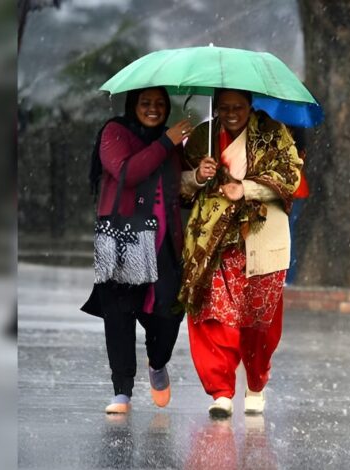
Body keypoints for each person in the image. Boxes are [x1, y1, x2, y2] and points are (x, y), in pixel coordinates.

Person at [180, 88, 302, 418]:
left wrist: (245, 187)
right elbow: (178, 185)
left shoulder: (274, 134)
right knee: (214, 314)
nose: (231, 113)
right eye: (224, 108)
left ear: (251, 105)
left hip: (262, 239)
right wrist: (196, 176)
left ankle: (256, 382)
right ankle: (221, 391)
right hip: (214, 242)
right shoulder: (203, 136)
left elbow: (290, 176)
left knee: (259, 322)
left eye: (238, 107)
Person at [81, 86, 202, 414]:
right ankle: (122, 390)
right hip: (121, 233)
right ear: (133, 104)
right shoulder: (115, 132)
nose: (153, 109)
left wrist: (199, 175)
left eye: (160, 104)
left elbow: (182, 190)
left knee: (169, 312)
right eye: (146, 103)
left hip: (164, 241)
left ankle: (158, 361)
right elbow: (127, 172)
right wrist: (166, 143)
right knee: (119, 315)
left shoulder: (170, 141)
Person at [285, 126, 310, 285]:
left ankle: (287, 276)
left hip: (292, 191)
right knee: (288, 232)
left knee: (288, 233)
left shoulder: (291, 132)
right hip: (291, 190)